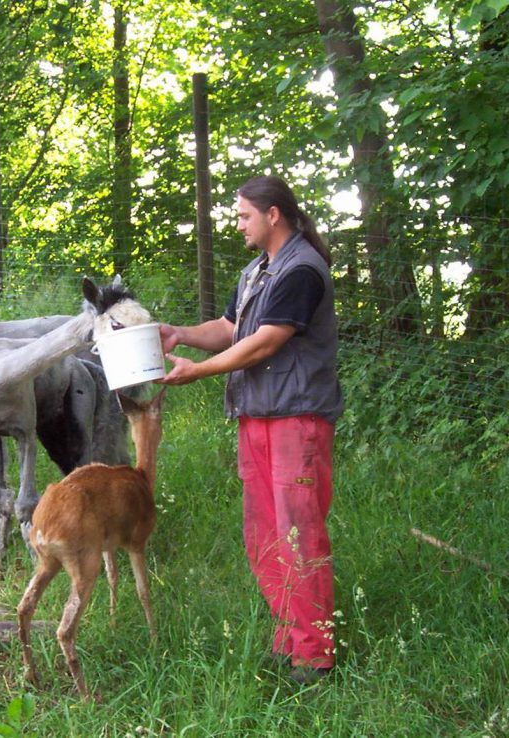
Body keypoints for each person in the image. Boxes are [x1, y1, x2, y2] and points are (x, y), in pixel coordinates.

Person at [157, 174, 342, 684]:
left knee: (298, 535)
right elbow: (232, 329)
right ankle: (289, 639)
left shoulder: (302, 270)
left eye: (243, 216)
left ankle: (315, 656)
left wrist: (195, 371)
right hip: (256, 417)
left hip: (296, 420)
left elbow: (265, 342)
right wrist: (181, 335)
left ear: (272, 215)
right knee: (263, 535)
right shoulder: (257, 271)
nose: (237, 224)